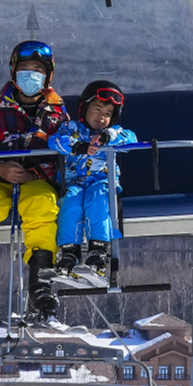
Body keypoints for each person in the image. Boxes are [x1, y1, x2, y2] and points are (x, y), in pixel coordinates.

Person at [0, 40, 68, 325]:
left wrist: (38, 174)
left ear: (48, 76)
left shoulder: (57, 115)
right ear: (13, 72)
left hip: (36, 180)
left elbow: (64, 157)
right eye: (25, 69)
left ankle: (41, 286)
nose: (31, 75)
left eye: (37, 70)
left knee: (42, 207)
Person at [48, 80, 136, 275]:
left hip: (101, 181)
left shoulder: (113, 133)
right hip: (74, 183)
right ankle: (69, 250)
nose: (101, 117)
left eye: (107, 114)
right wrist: (76, 147)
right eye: (97, 110)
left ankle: (99, 248)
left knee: (97, 202)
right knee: (70, 205)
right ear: (84, 108)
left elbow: (131, 139)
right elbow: (54, 141)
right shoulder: (71, 129)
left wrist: (108, 137)